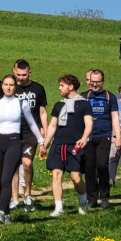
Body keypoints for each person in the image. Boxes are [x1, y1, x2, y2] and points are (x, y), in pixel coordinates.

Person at [0, 75, 45, 224]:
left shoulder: (21, 103)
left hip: (14, 142)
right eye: (6, 84)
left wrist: (41, 142)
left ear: (15, 87)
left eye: (11, 85)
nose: (8, 87)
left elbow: (32, 123)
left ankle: (0, 212)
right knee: (0, 180)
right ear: (2, 86)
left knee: (6, 179)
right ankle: (6, 213)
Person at [40, 74, 93, 217]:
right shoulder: (59, 105)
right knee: (56, 175)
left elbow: (89, 124)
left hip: (74, 146)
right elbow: (52, 126)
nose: (59, 88)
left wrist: (84, 138)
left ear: (70, 87)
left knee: (76, 177)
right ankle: (58, 207)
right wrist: (44, 145)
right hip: (58, 144)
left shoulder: (84, 104)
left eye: (62, 85)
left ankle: (83, 200)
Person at [81, 70, 121, 209]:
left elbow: (115, 117)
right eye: (92, 81)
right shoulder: (84, 97)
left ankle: (104, 197)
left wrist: (117, 137)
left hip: (104, 135)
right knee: (89, 168)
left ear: (103, 81)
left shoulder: (110, 97)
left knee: (102, 166)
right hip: (88, 137)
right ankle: (91, 198)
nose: (94, 84)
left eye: (97, 82)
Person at [12, 60, 48, 212]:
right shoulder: (10, 87)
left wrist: (45, 133)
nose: (21, 78)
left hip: (31, 133)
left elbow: (43, 112)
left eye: (24, 75)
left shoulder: (38, 88)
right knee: (13, 166)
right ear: (14, 71)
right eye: (19, 75)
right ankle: (15, 198)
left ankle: (27, 193)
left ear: (30, 73)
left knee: (27, 163)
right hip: (13, 131)